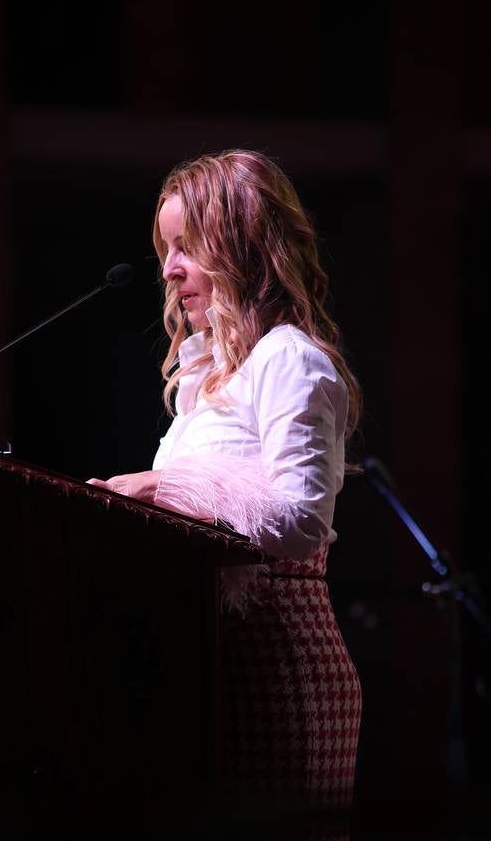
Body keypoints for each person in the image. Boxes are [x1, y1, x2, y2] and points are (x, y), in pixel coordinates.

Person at [87, 149, 362, 823]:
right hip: (210, 661)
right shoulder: (206, 376)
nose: (168, 267)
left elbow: (301, 523)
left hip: (274, 660)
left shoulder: (290, 359)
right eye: (165, 248)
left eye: (187, 246)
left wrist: (165, 490)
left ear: (241, 246)